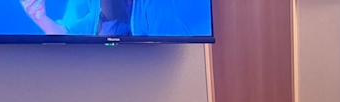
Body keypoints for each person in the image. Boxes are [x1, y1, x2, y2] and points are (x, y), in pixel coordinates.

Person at [19, 0, 210, 37]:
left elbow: (170, 46)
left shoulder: (156, 4)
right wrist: (39, 17)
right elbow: (65, 34)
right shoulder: (84, 3)